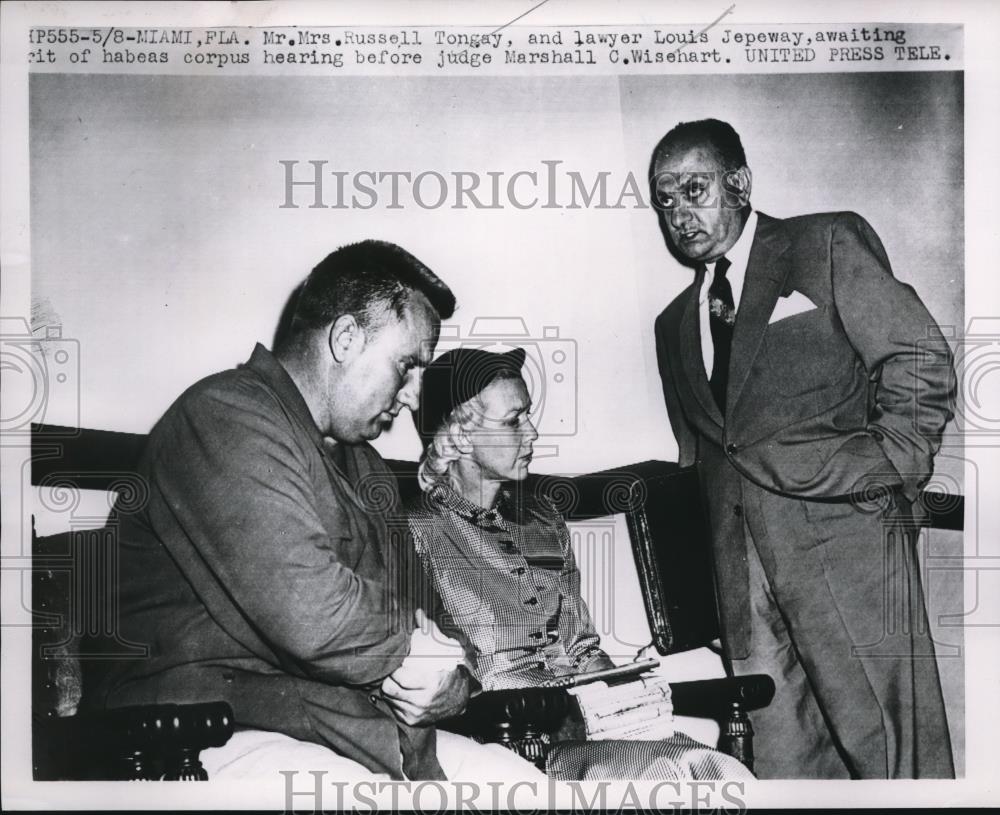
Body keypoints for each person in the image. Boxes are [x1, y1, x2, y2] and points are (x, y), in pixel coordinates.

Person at [86, 240, 545, 782]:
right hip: (194, 730)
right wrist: (424, 655)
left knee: (523, 786)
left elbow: (442, 623)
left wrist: (454, 681)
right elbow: (313, 613)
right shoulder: (224, 417)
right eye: (407, 366)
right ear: (346, 338)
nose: (416, 397)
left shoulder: (365, 466)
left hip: (341, 727)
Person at [648, 118, 956, 779]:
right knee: (784, 760)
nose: (678, 212)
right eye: (664, 198)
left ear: (740, 184)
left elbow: (919, 358)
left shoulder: (825, 243)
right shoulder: (672, 323)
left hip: (847, 541)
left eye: (693, 189)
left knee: (895, 751)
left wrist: (889, 470)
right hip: (744, 577)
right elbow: (699, 452)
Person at [406, 346, 755, 781]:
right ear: (459, 437)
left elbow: (582, 650)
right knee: (685, 774)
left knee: (713, 770)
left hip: (591, 726)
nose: (532, 433)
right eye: (513, 420)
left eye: (528, 415)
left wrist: (631, 700)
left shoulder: (542, 519)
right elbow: (446, 674)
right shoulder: (417, 529)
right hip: (513, 739)